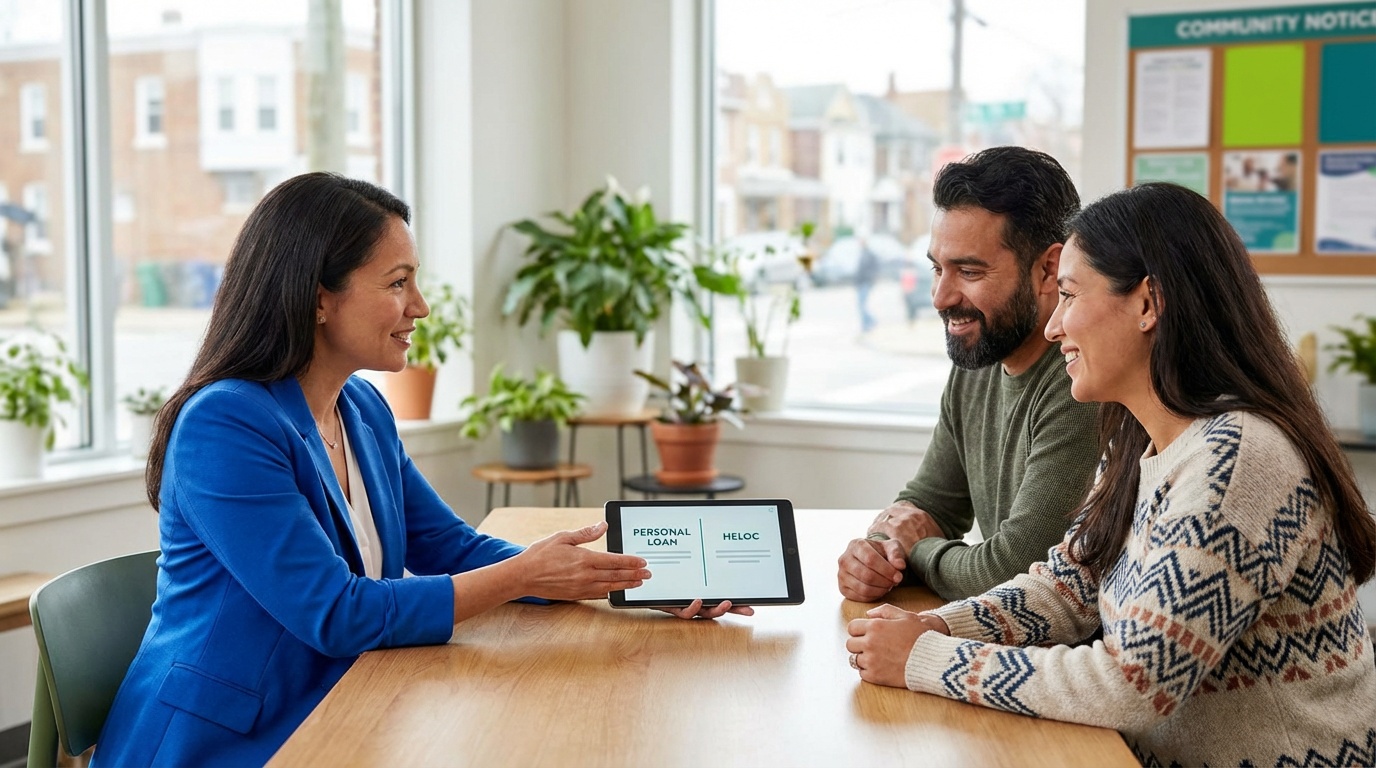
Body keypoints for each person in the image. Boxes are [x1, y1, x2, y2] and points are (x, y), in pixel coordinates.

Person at [93, 173, 746, 767]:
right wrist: (523, 574)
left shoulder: (361, 409)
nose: (421, 306)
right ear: (320, 299)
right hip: (225, 740)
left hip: (340, 704)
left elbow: (450, 546)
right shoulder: (226, 424)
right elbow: (335, 613)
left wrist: (622, 579)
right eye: (397, 282)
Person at [846, 182, 1376, 766]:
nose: (1054, 327)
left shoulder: (1236, 459)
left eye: (1069, 295)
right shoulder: (1145, 441)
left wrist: (925, 658)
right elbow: (1068, 587)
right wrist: (936, 627)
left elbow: (1133, 684)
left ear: (1148, 303)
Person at [836, 147, 1098, 601]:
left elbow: (1016, 572)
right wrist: (877, 554)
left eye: (969, 271)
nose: (939, 296)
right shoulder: (981, 358)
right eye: (938, 268)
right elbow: (929, 503)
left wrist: (917, 547)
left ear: (1048, 270)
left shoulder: (1084, 380)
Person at [854, 235, 880, 333]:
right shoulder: (862, 253)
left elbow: (875, 268)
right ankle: (866, 324)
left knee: (862, 305)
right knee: (861, 305)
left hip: (865, 283)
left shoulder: (869, 254)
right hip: (860, 283)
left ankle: (870, 322)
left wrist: (870, 278)